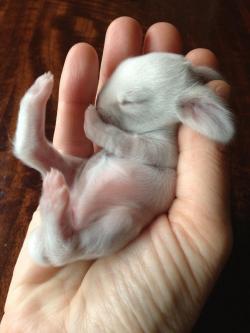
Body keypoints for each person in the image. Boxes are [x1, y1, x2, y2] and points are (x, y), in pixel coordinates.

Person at [0, 17, 232, 332]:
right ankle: (31, 140)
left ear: (191, 109)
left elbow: (140, 150)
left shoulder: (167, 155)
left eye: (129, 100)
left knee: (119, 223)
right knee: (56, 163)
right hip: (94, 175)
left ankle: (63, 236)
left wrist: (105, 134)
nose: (104, 103)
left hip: (109, 204)